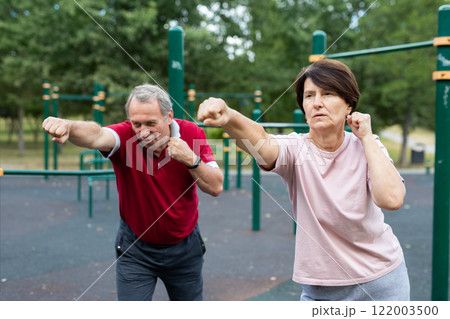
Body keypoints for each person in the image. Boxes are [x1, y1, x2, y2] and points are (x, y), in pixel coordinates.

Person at [197, 59, 410, 301]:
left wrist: (367, 137)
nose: (317, 103)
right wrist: (229, 117)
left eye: (327, 94)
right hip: (321, 291)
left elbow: (391, 199)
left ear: (349, 104)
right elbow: (263, 143)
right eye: (309, 96)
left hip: (381, 281)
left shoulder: (368, 146)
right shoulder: (295, 150)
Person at [42, 84, 223, 301]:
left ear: (169, 117)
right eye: (137, 123)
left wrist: (191, 160)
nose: (143, 131)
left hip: (184, 248)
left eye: (151, 123)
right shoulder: (125, 135)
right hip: (136, 249)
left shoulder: (193, 133)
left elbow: (215, 187)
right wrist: (68, 126)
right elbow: (96, 135)